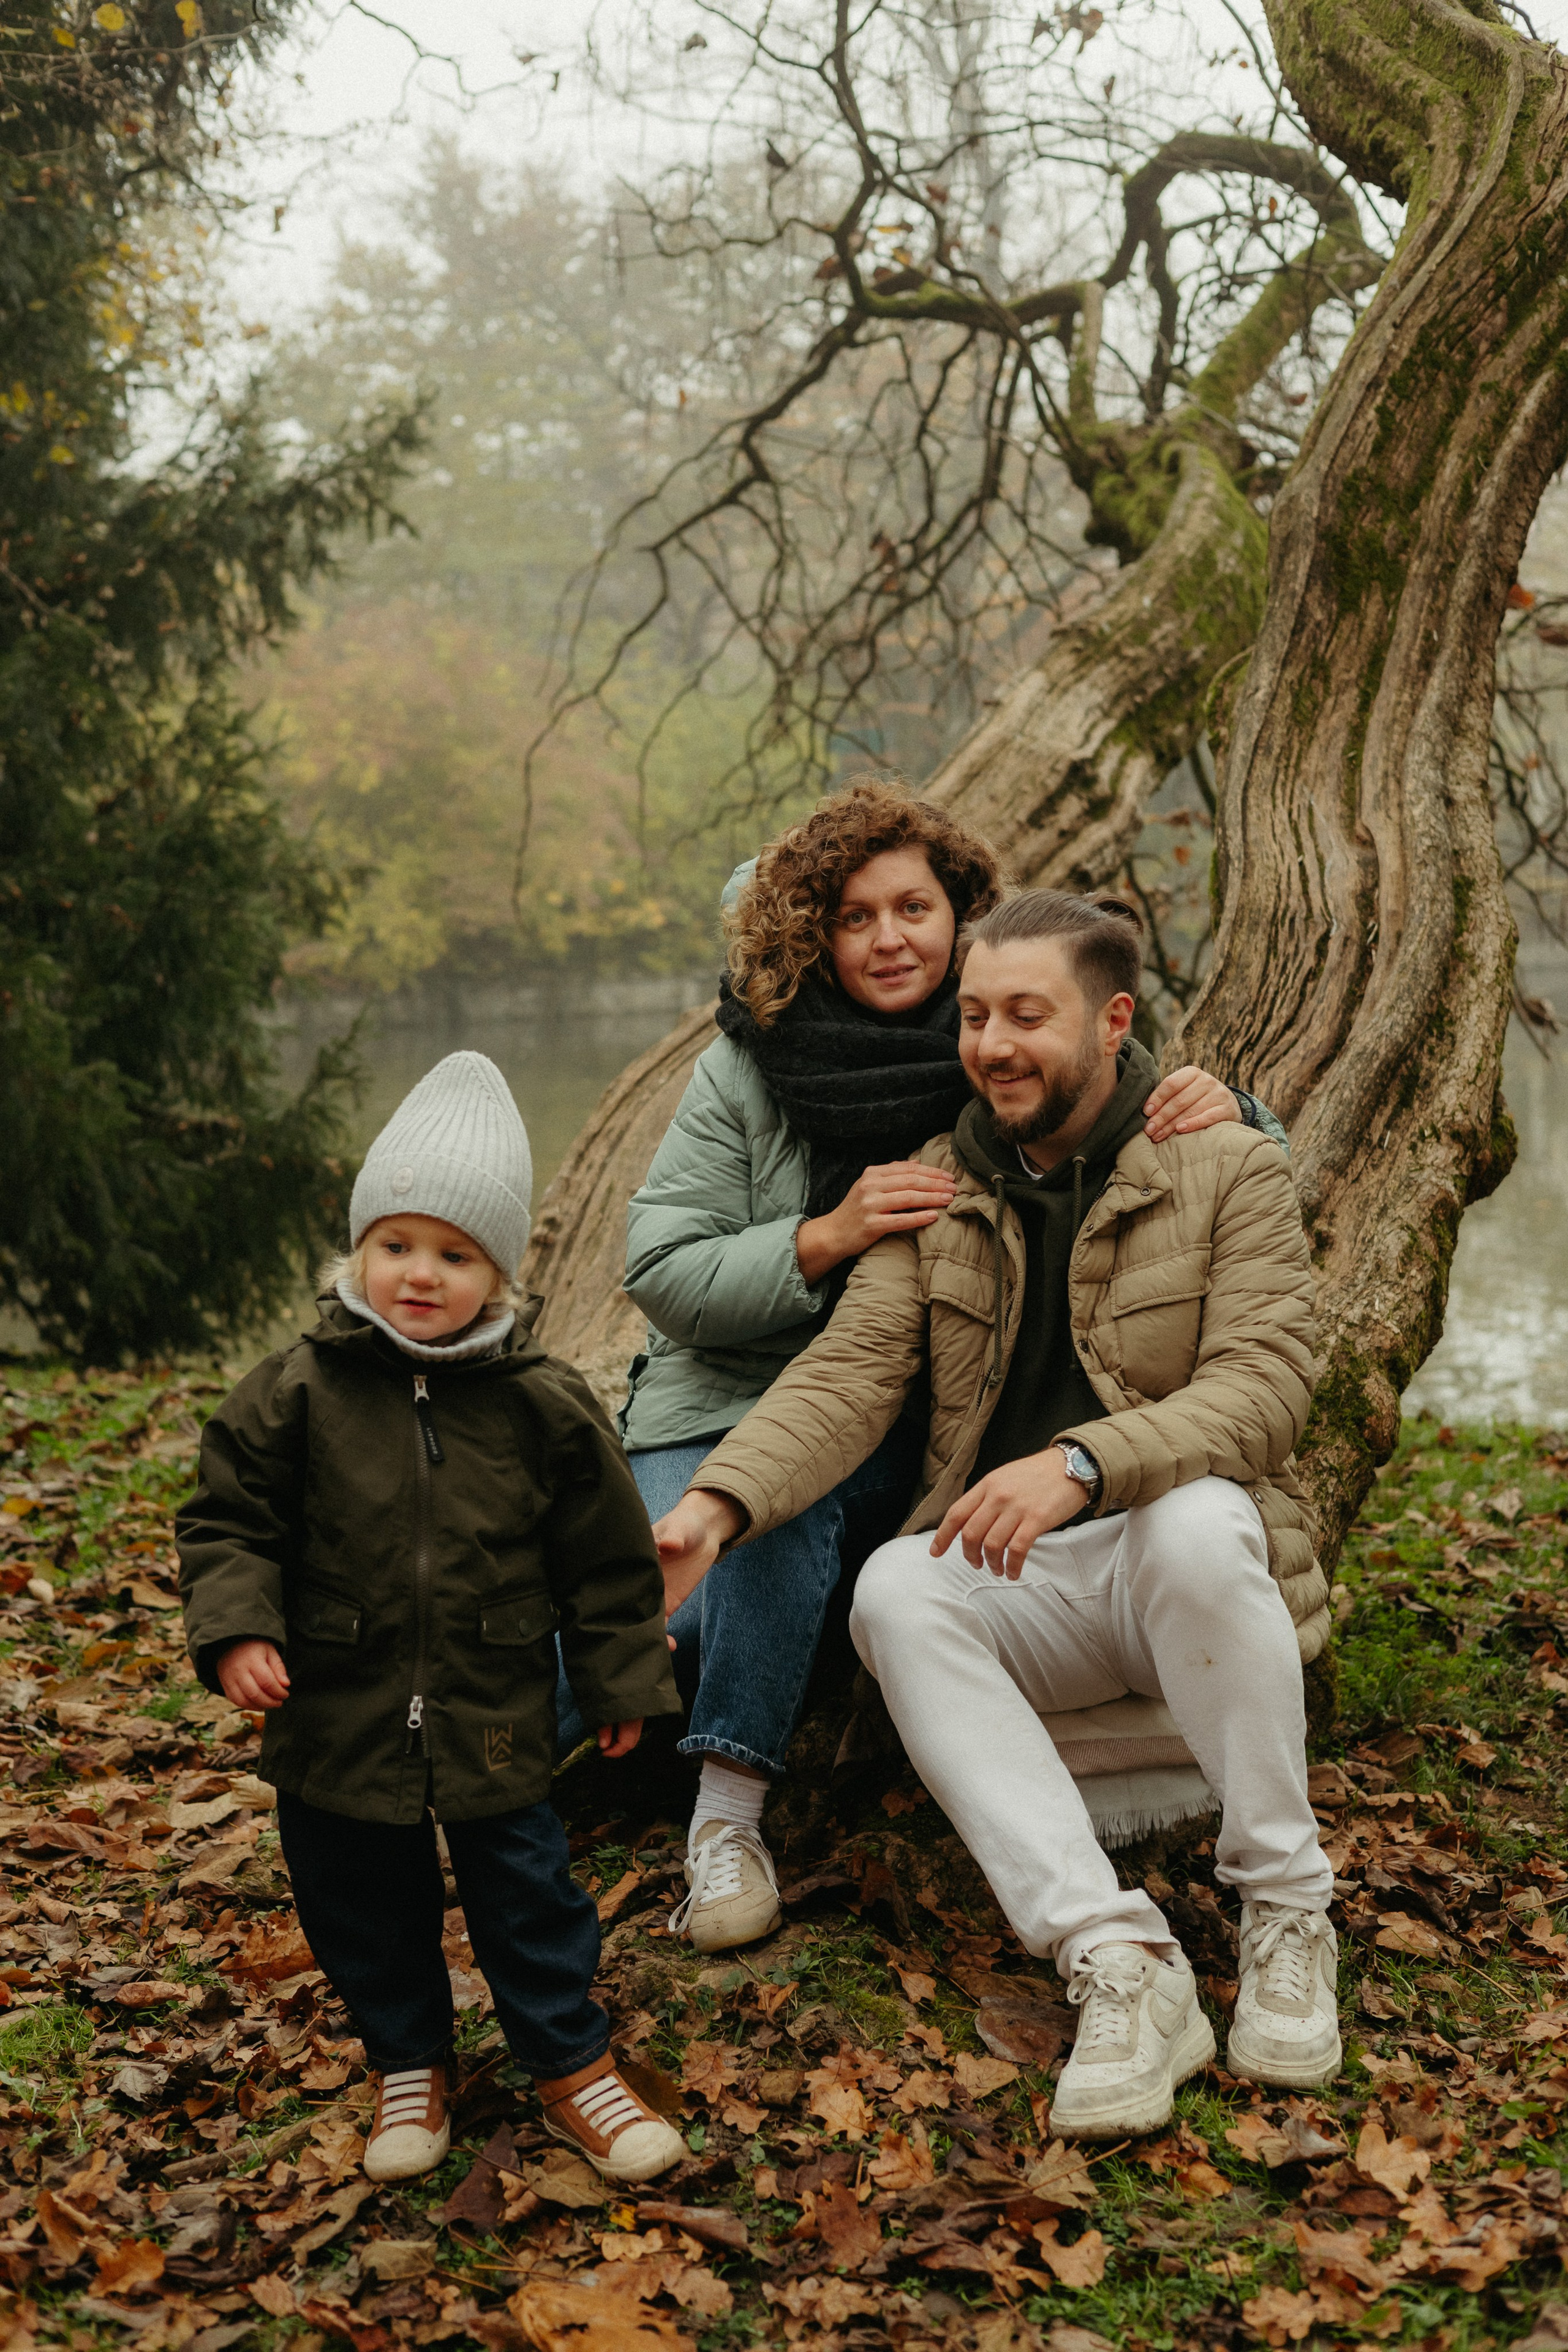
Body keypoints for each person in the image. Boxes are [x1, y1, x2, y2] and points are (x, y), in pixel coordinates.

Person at [653, 888, 1338, 2139]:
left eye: (1027, 1014)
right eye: (973, 1016)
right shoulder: (937, 1188)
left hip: (1174, 1572)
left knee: (1191, 1521)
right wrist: (710, 1508)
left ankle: (1287, 1909)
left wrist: (1078, 1464)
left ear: (1109, 1017)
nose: (992, 1044)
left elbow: (1266, 1387)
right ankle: (1115, 1962)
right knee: (896, 1586)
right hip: (1027, 1595)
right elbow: (846, 1378)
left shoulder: (1223, 1162)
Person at [592, 778, 1288, 1958]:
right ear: (815, 935)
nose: (889, 940)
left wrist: (1250, 1118)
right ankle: (484, 1751)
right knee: (676, 1602)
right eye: (854, 918)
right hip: (739, 1405)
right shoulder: (759, 1066)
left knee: (814, 1556)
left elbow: (1159, 1115)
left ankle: (1280, 1900)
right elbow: (670, 1270)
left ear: (964, 917)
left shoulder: (1014, 1032)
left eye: (913, 908)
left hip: (944, 1438)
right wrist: (827, 1236)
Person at [176, 1052, 687, 2187]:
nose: (421, 1274)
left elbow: (605, 1563)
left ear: (499, 1273)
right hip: (336, 1705)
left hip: (494, 1702)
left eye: (456, 1255)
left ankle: (569, 2063)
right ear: (359, 1249)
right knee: (356, 1891)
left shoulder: (542, 1404)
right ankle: (409, 2058)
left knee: (528, 1888)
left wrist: (616, 1680)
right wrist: (237, 1630)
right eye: (398, 1245)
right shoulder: (295, 1389)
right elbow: (228, 1523)